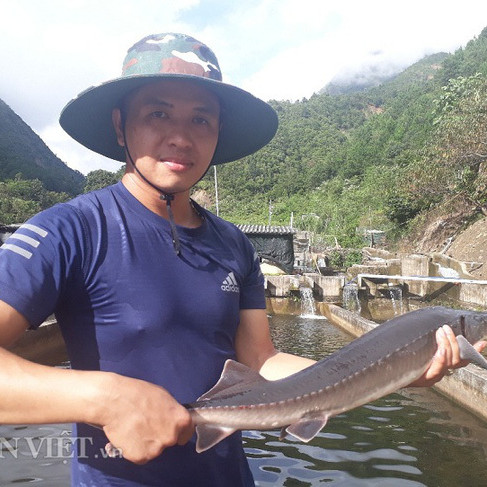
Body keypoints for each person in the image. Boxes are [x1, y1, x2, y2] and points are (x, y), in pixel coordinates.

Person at [0, 32, 481, 487]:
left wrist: (394, 371)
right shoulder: (68, 230)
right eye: (158, 114)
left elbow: (261, 361)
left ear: (218, 133)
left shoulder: (233, 244)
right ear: (120, 125)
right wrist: (103, 398)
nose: (181, 137)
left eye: (201, 119)